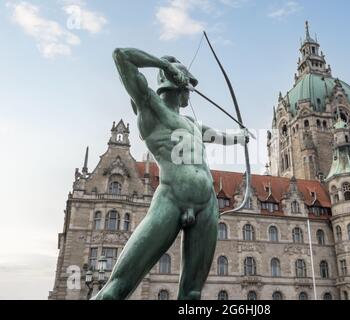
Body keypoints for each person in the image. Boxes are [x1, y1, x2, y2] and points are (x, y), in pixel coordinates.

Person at [92, 48, 249, 300]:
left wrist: (240, 138)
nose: (191, 91)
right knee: (117, 288)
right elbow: (121, 55)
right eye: (189, 85)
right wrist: (163, 65)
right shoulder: (149, 107)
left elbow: (221, 137)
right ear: (177, 83)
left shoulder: (192, 124)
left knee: (192, 294)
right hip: (171, 200)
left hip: (207, 205)